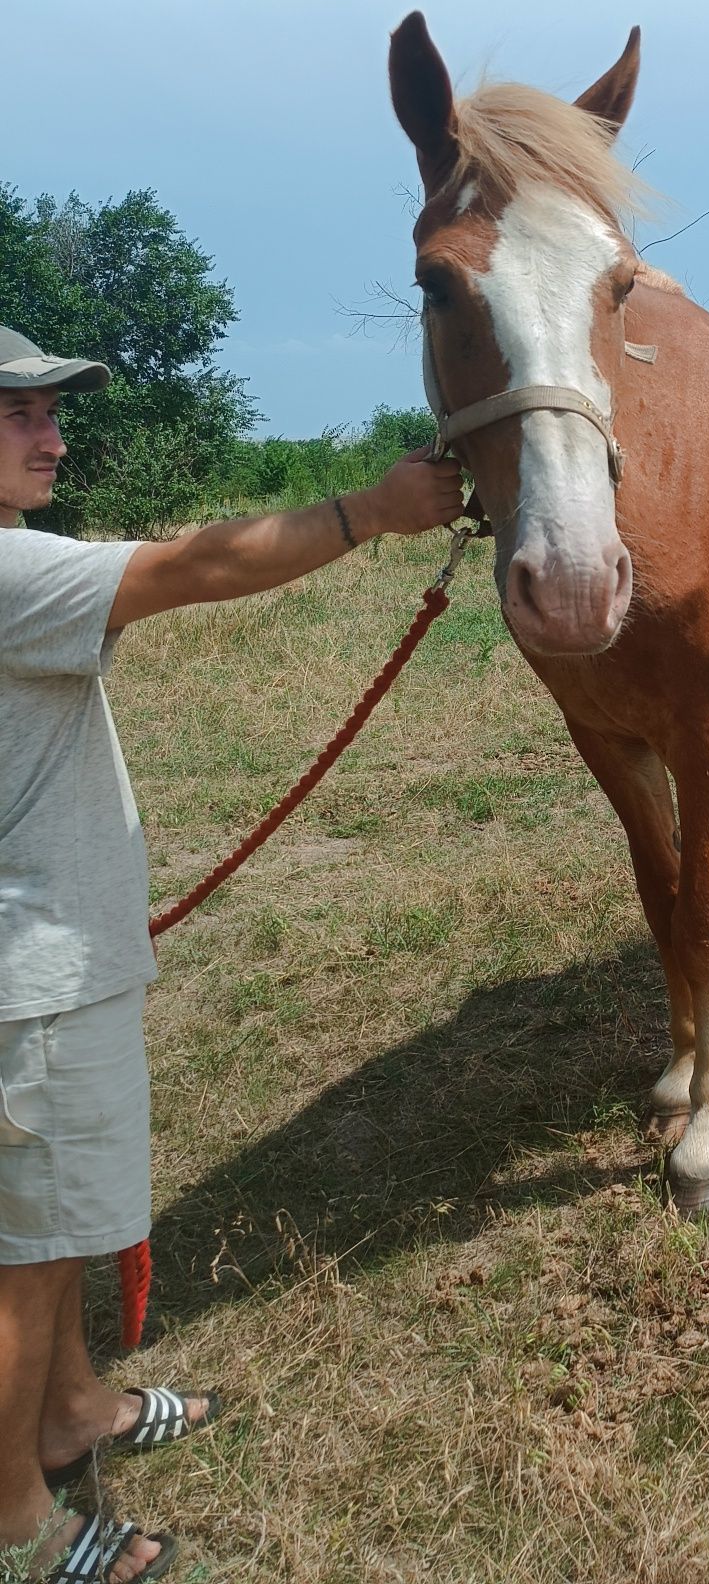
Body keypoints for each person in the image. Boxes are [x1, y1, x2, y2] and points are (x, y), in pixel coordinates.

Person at [0, 326, 464, 1583]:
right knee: (24, 1254)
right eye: (17, 414)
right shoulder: (2, 571)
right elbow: (197, 564)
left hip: (60, 961)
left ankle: (74, 1410)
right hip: (30, 978)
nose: (51, 434)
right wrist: (370, 510)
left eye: (52, 410)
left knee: (55, 1224)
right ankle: (16, 1519)